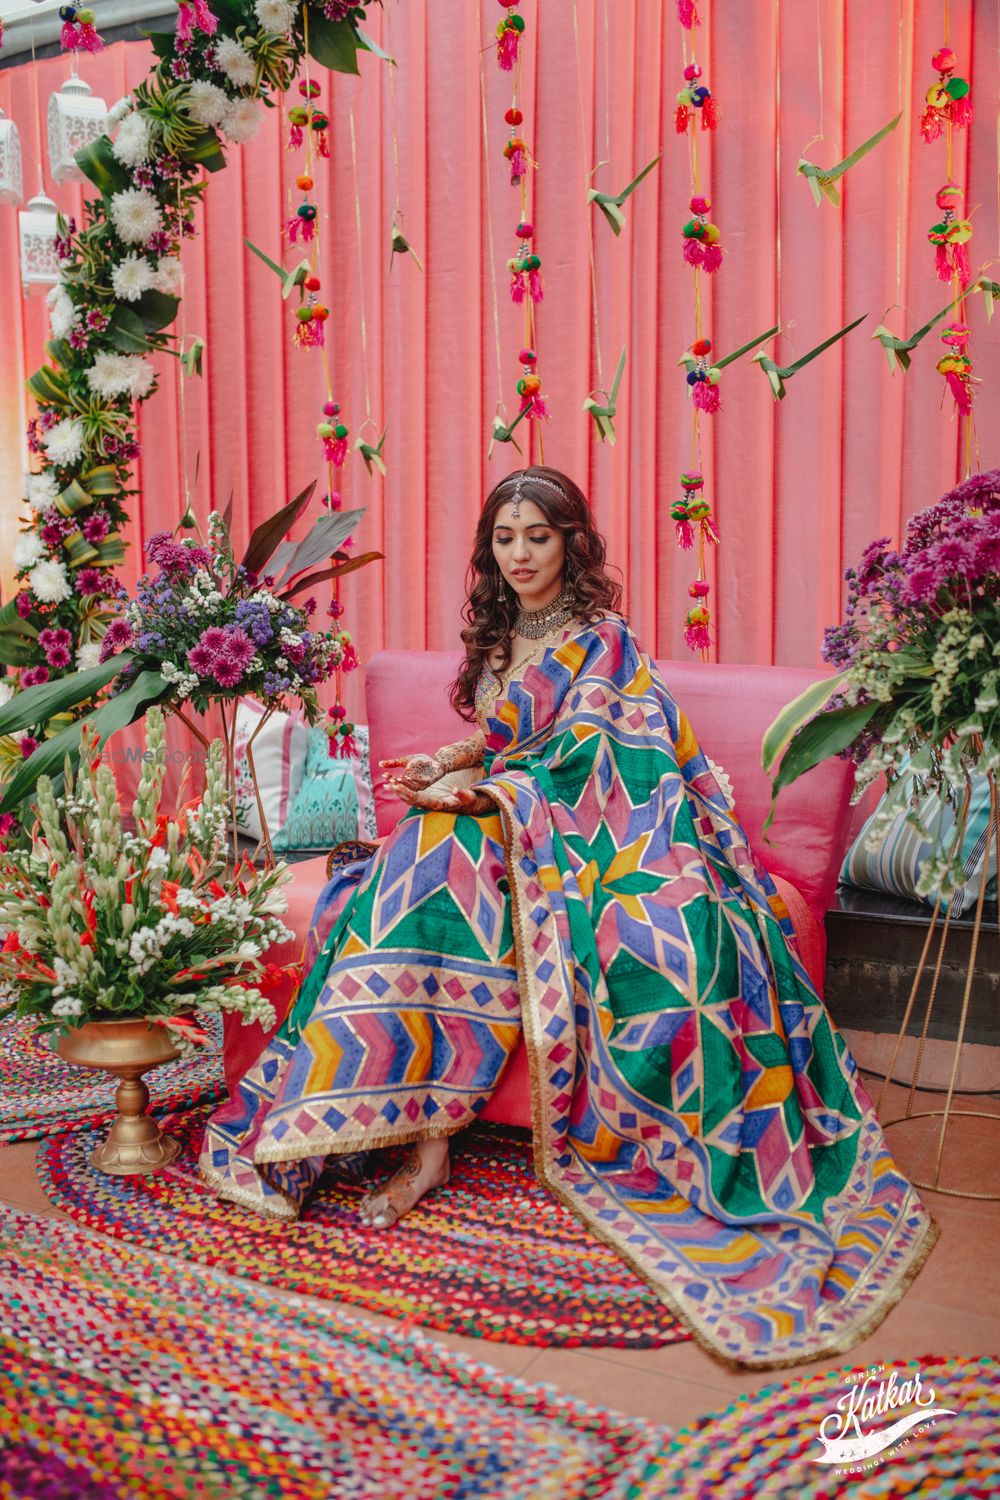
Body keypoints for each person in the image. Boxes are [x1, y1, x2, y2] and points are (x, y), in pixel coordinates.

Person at [201, 465, 935, 1369]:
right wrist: (453, 767)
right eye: (504, 537)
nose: (518, 555)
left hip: (601, 841)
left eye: (536, 537)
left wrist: (486, 795)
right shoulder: (503, 633)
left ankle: (418, 1134)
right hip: (506, 829)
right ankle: (420, 1135)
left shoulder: (605, 640)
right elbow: (512, 739)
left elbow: (603, 760)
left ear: (571, 543)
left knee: (449, 850)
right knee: (434, 850)